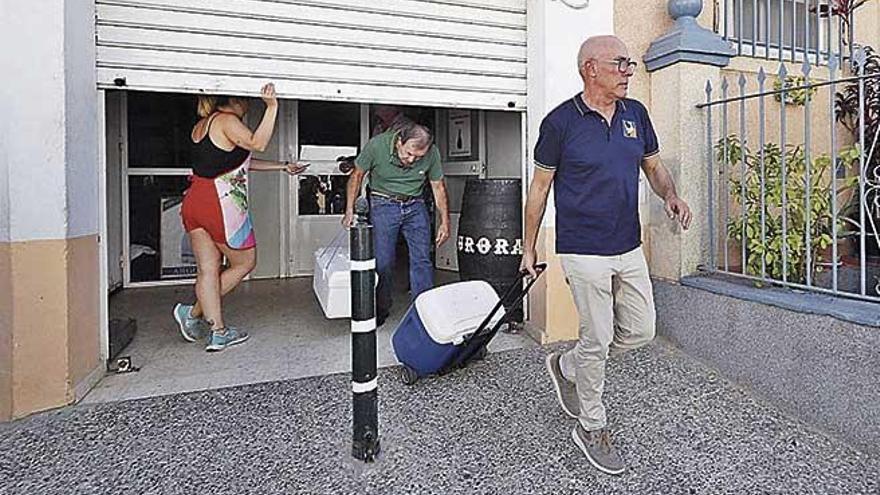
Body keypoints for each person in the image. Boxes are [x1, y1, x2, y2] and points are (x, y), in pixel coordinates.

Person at [520, 36, 692, 475]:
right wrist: (528, 248)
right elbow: (539, 190)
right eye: (621, 64)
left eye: (630, 64)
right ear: (590, 68)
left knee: (641, 330)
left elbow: (653, 166)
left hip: (627, 245)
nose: (629, 71)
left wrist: (670, 194)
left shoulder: (636, 114)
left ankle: (567, 364)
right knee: (596, 337)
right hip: (583, 248)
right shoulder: (560, 123)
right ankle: (591, 426)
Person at [173, 83, 308, 352]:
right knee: (245, 262)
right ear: (234, 99)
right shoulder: (227, 120)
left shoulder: (203, 125)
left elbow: (240, 161)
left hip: (195, 200)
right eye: (245, 99)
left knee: (208, 269)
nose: (248, 104)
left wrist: (283, 166)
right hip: (220, 203)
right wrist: (272, 107)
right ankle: (194, 313)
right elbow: (257, 143)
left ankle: (218, 331)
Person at [342, 118, 450, 327]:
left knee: (422, 260)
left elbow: (438, 187)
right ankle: (380, 308)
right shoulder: (377, 145)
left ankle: (423, 312)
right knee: (383, 261)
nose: (411, 160)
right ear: (399, 141)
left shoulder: (432, 153)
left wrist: (445, 222)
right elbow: (357, 176)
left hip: (415, 205)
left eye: (417, 157)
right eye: (408, 153)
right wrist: (349, 210)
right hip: (383, 203)